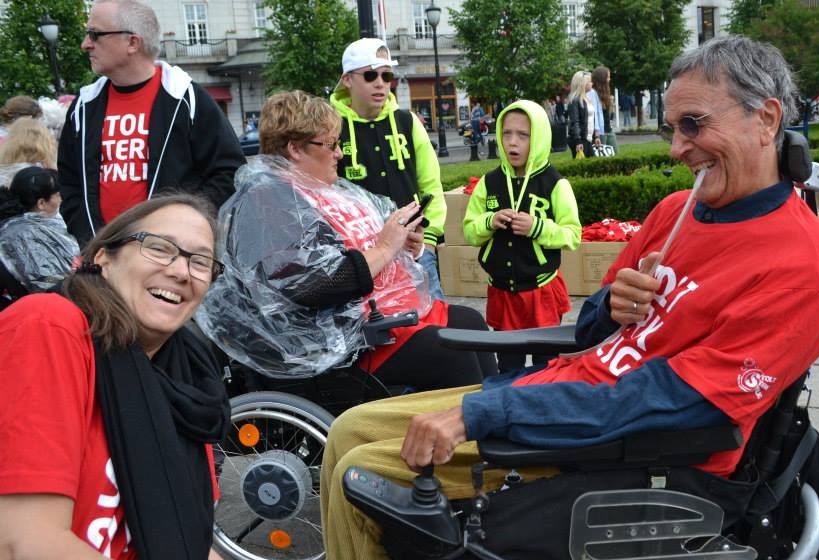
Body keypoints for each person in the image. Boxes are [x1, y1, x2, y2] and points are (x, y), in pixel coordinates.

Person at [319, 35, 819, 559]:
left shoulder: (807, 265)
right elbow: (589, 327)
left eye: (694, 124)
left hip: (624, 447)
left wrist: (485, 412)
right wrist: (612, 303)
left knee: (358, 478)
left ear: (767, 119)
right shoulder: (676, 211)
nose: (678, 148)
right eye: (671, 128)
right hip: (566, 389)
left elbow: (673, 401)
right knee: (347, 430)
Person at [196, 91, 496, 391]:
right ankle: (467, 429)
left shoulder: (323, 190)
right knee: (450, 353)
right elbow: (310, 284)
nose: (340, 153)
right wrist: (384, 248)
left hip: (372, 321)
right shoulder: (267, 201)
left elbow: (353, 249)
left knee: (469, 323)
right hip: (331, 347)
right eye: (331, 144)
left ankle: (498, 424)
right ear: (295, 149)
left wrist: (401, 245)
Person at [0, 193, 231, 559]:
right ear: (102, 257)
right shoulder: (50, 327)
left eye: (200, 262)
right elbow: (25, 544)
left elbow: (194, 545)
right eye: (159, 248)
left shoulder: (185, 379)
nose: (181, 271)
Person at [57, 0, 246, 247]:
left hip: (170, 255)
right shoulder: (84, 106)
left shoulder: (185, 98)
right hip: (104, 258)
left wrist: (181, 225)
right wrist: (88, 237)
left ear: (132, 42)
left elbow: (229, 173)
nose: (85, 44)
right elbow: (70, 183)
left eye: (95, 34)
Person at [463, 100, 581, 373]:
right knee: (508, 363)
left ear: (538, 138)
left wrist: (537, 227)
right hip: (501, 290)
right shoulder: (488, 182)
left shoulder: (555, 183)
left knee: (546, 363)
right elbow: (469, 231)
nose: (512, 142)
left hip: (541, 289)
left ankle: (543, 409)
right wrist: (489, 221)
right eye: (507, 133)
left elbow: (573, 235)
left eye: (523, 135)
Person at [330, 38, 447, 300]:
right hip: (365, 260)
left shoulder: (407, 121)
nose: (380, 83)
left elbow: (431, 185)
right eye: (370, 75)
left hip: (415, 253)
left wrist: (427, 244)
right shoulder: (332, 126)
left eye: (386, 75)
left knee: (437, 328)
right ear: (347, 79)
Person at [0, 167, 79, 308]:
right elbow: (44, 280)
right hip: (44, 309)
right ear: (41, 203)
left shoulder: (30, 228)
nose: (61, 198)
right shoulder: (23, 234)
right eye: (58, 194)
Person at [567, 70, 599, 158]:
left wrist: (596, 136)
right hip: (581, 139)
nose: (592, 83)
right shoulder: (575, 100)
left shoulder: (586, 99)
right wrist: (578, 141)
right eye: (590, 82)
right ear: (583, 84)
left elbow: (591, 119)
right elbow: (574, 121)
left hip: (587, 138)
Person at [591, 66, 617, 153]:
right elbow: (595, 115)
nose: (609, 79)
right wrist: (596, 135)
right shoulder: (593, 93)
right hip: (601, 131)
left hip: (608, 129)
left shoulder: (605, 93)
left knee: (615, 152)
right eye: (608, 77)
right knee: (603, 155)